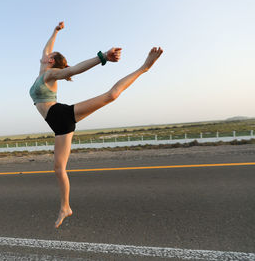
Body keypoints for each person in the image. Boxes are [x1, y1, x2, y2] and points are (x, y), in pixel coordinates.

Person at [29, 21, 163, 228]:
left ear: (51, 60)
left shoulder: (50, 74)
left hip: (60, 115)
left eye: (50, 53)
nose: (46, 53)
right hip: (58, 124)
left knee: (111, 95)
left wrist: (102, 57)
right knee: (58, 168)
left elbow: (74, 69)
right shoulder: (43, 69)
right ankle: (65, 207)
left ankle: (144, 67)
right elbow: (47, 47)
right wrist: (55, 31)